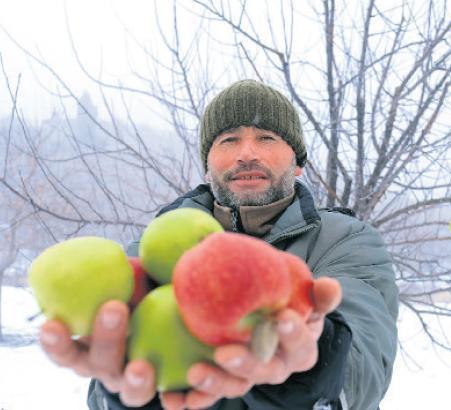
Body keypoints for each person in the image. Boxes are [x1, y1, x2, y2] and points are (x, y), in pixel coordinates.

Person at [38, 80, 400, 410]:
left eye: (266, 138)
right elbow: (104, 384)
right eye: (228, 140)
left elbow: (365, 366)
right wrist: (140, 392)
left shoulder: (345, 239)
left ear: (298, 163)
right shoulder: (155, 249)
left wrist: (316, 363)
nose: (246, 153)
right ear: (208, 167)